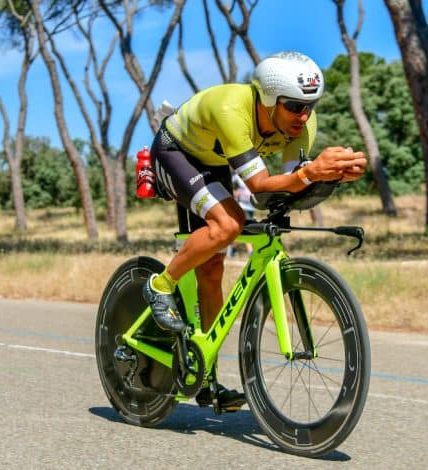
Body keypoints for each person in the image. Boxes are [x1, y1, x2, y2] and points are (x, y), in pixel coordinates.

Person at [143, 51, 368, 411]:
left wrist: (332, 176)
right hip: (176, 152)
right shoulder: (233, 109)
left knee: (212, 269)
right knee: (228, 224)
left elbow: (284, 192)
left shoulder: (302, 126)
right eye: (295, 106)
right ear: (267, 98)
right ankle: (160, 285)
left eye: (310, 105)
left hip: (214, 162)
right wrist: (310, 173)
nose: (304, 115)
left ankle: (206, 380)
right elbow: (261, 186)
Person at [229, 174, 254, 257]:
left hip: (251, 207)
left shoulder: (252, 174)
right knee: (246, 229)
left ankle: (233, 247)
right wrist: (234, 193)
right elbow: (227, 187)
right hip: (241, 206)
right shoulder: (236, 177)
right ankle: (250, 252)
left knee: (244, 229)